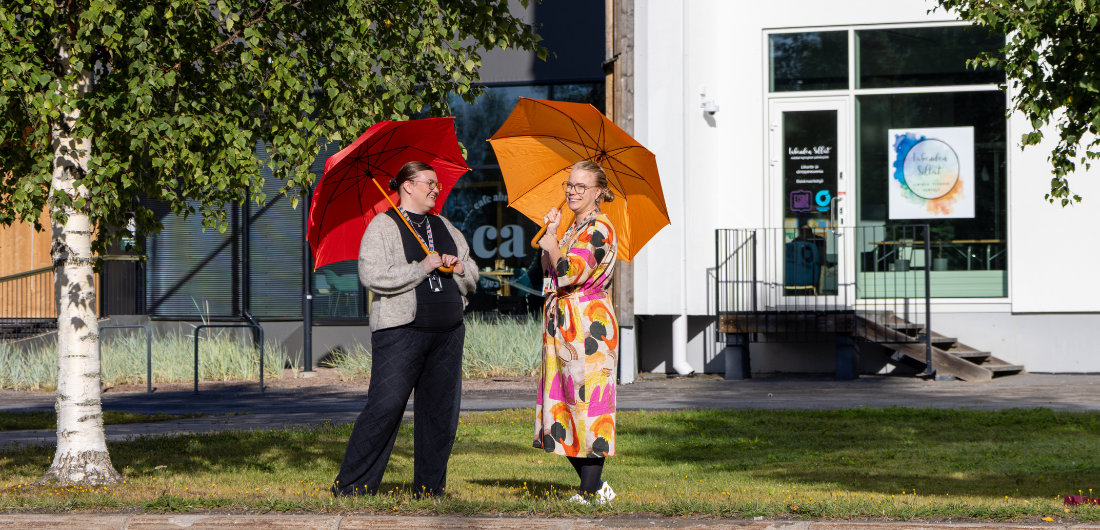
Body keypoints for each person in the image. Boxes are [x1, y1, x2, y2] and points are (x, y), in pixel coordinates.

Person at [332, 161, 478, 498]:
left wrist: (458, 268)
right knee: (385, 407)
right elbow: (373, 276)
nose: (436, 189)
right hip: (401, 331)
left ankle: (430, 490)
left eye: (437, 184)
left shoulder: (445, 226)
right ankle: (352, 488)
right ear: (407, 185)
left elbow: (472, 273)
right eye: (429, 182)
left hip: (449, 332)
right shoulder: (382, 227)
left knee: (440, 415)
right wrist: (422, 267)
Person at [534, 160, 619, 505]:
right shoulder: (574, 226)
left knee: (588, 407)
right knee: (564, 404)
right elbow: (549, 273)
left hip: (588, 325)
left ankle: (588, 491)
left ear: (598, 192)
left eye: (581, 186)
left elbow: (570, 272)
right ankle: (597, 490)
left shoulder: (600, 227)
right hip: (563, 322)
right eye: (570, 185)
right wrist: (552, 239)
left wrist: (553, 242)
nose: (572, 191)